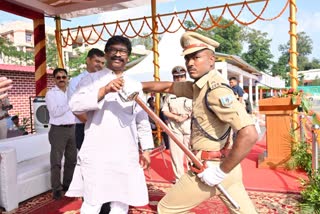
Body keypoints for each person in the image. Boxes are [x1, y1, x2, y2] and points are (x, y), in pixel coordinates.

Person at [126, 31, 258, 213]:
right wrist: (138, 86)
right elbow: (169, 86)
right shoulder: (199, 86)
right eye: (187, 58)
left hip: (211, 168)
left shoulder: (215, 90)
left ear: (211, 60)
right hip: (228, 168)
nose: (189, 63)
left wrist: (220, 172)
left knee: (166, 208)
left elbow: (249, 134)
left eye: (196, 57)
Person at [66, 35, 154, 214]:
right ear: (106, 54)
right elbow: (75, 105)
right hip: (97, 151)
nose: (118, 54)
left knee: (121, 202)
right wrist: (104, 90)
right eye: (113, 50)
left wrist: (146, 149)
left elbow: (142, 119)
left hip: (125, 152)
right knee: (92, 201)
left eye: (122, 51)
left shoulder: (134, 84)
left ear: (128, 56)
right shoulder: (91, 80)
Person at [45, 68, 77, 200]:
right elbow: (55, 112)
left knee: (72, 160)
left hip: (73, 128)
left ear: (67, 77)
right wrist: (70, 102)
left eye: (64, 77)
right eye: (58, 77)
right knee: (56, 162)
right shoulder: (51, 94)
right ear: (54, 79)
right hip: (58, 130)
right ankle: (56, 189)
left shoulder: (72, 91)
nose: (61, 79)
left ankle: (67, 185)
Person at [67, 48, 105, 150]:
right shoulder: (76, 81)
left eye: (102, 63)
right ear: (88, 60)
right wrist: (94, 125)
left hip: (104, 127)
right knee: (87, 162)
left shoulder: (106, 80)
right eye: (97, 61)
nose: (100, 65)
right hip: (84, 127)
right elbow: (76, 109)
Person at [161, 65, 192, 181]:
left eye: (181, 76)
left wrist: (187, 115)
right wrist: (175, 117)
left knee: (191, 153)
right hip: (174, 125)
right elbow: (164, 110)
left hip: (189, 124)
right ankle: (179, 178)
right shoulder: (170, 93)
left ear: (185, 76)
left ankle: (192, 177)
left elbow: (198, 108)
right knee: (176, 154)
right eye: (176, 77)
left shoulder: (191, 90)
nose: (179, 79)